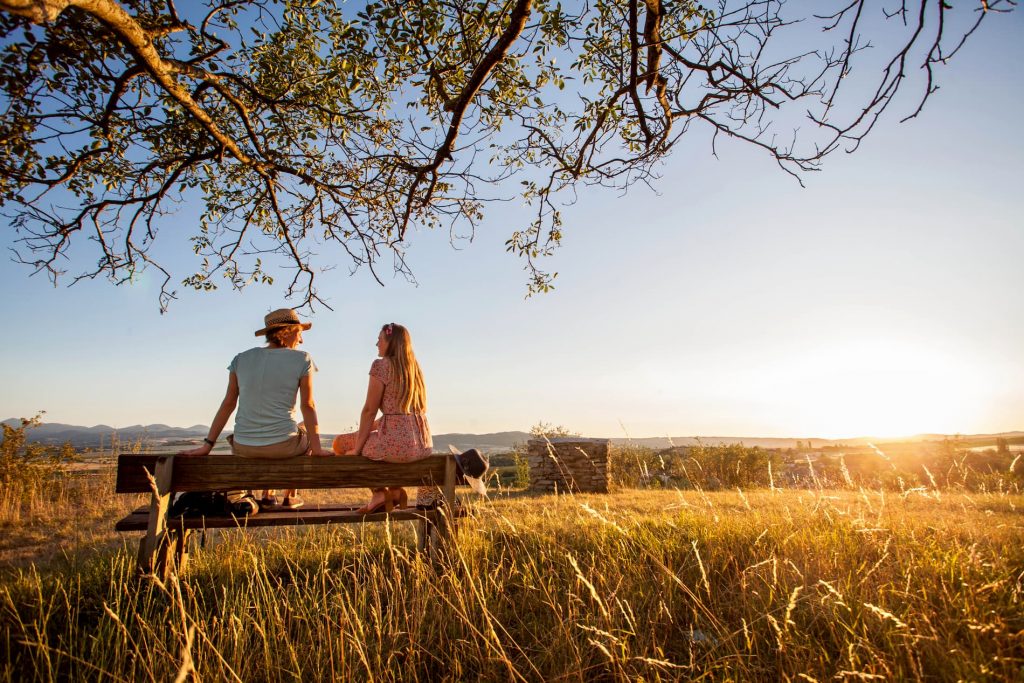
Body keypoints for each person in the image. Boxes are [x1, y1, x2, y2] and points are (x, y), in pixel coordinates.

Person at [181, 308, 329, 514]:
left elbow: (228, 404)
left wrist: (207, 445)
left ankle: (269, 494)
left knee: (291, 430)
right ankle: (290, 496)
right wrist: (318, 448)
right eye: (300, 332)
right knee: (303, 432)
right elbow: (308, 405)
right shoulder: (302, 359)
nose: (301, 340)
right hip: (284, 446)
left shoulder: (240, 359)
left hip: (244, 447)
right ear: (286, 332)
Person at [332, 323, 435, 513]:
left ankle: (379, 493)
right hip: (422, 446)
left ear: (390, 342)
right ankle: (395, 489)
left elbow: (369, 410)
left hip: (397, 445)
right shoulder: (414, 370)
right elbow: (400, 416)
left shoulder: (381, 365)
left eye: (379, 339)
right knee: (363, 440)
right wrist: (363, 432)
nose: (376, 343)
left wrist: (357, 448)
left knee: (340, 444)